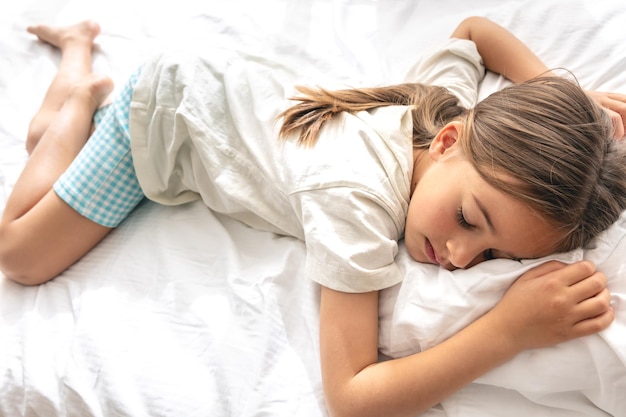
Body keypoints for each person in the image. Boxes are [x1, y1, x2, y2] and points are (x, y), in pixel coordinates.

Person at [1, 16, 626, 417]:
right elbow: (352, 397)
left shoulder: (447, 111)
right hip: (161, 115)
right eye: (469, 219)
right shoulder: (354, 196)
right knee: (18, 255)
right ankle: (83, 94)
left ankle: (70, 95)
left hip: (223, 81)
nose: (460, 257)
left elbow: (473, 31)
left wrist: (564, 103)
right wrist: (507, 332)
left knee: (43, 146)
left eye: (493, 258)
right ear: (447, 143)